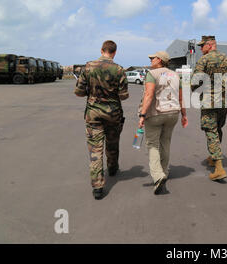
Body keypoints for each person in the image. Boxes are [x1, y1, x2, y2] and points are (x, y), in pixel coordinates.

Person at [74, 40, 129, 200]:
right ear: (115, 52)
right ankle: (112, 168)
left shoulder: (88, 67)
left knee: (95, 150)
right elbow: (124, 96)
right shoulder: (119, 69)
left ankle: (98, 187)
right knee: (112, 143)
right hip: (113, 114)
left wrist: (91, 94)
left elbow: (78, 92)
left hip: (93, 114)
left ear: (101, 50)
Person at [191, 36, 227, 181]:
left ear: (209, 45)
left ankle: (219, 167)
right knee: (218, 128)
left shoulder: (204, 60)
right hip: (224, 101)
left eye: (202, 46)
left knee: (211, 131)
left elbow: (196, 81)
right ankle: (213, 157)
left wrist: (195, 89)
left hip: (209, 102)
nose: (201, 49)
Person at [138, 51, 188, 194]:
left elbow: (149, 94)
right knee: (165, 142)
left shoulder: (152, 74)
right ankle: (164, 172)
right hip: (173, 113)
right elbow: (180, 97)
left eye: (152, 58)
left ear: (159, 60)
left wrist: (142, 115)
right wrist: (184, 115)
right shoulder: (176, 75)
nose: (150, 60)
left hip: (156, 114)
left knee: (152, 144)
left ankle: (158, 175)